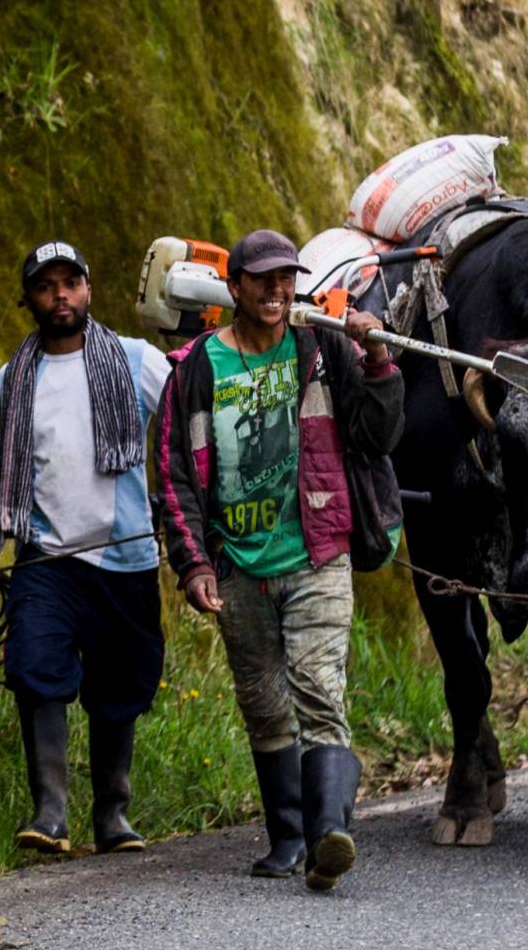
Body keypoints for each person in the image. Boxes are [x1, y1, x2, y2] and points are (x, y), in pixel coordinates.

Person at [155, 229, 404, 891]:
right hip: (236, 564)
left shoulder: (321, 348)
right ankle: (287, 837)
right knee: (264, 704)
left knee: (320, 691)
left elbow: (377, 436)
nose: (276, 290)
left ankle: (328, 835)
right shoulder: (197, 368)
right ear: (232, 287)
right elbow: (174, 476)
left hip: (318, 551)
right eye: (261, 280)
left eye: (286, 278)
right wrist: (193, 564)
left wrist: (376, 359)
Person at [0, 240, 170, 855]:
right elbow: (1, 473)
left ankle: (113, 813)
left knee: (120, 685)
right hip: (44, 557)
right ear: (27, 298)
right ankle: (50, 812)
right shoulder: (14, 378)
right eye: (45, 286)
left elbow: (189, 423)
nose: (59, 296)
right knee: (34, 668)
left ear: (88, 289)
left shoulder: (136, 361)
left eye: (69, 283)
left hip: (124, 558)